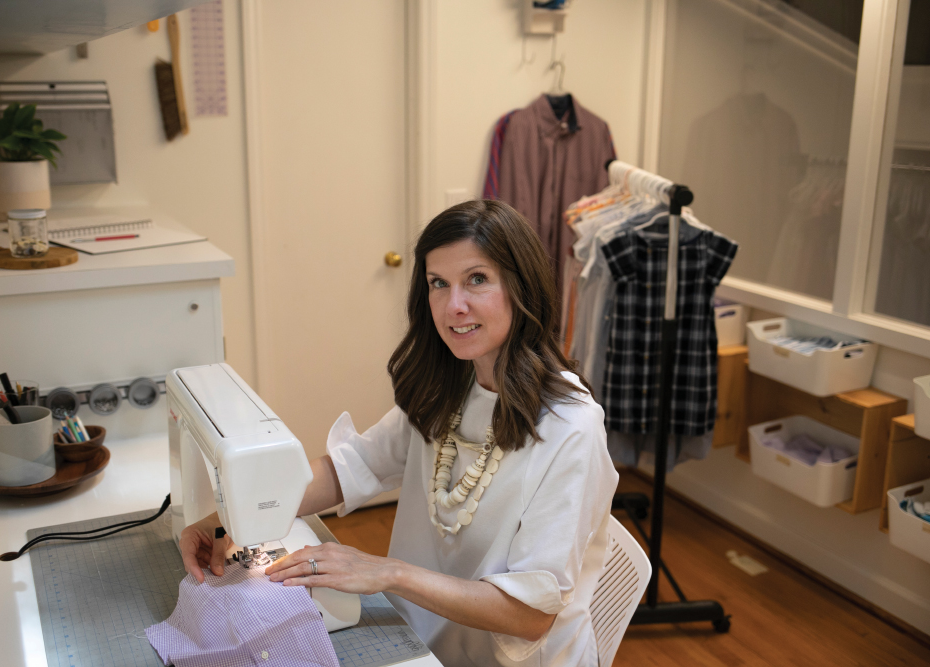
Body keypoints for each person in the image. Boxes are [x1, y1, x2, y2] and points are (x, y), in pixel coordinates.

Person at [180, 199, 619, 666]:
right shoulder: (449, 384)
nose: (454, 306)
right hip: (424, 638)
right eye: (438, 283)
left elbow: (530, 616)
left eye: (477, 279)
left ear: (521, 286)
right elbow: (352, 467)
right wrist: (229, 519)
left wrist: (387, 572)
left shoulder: (570, 427)